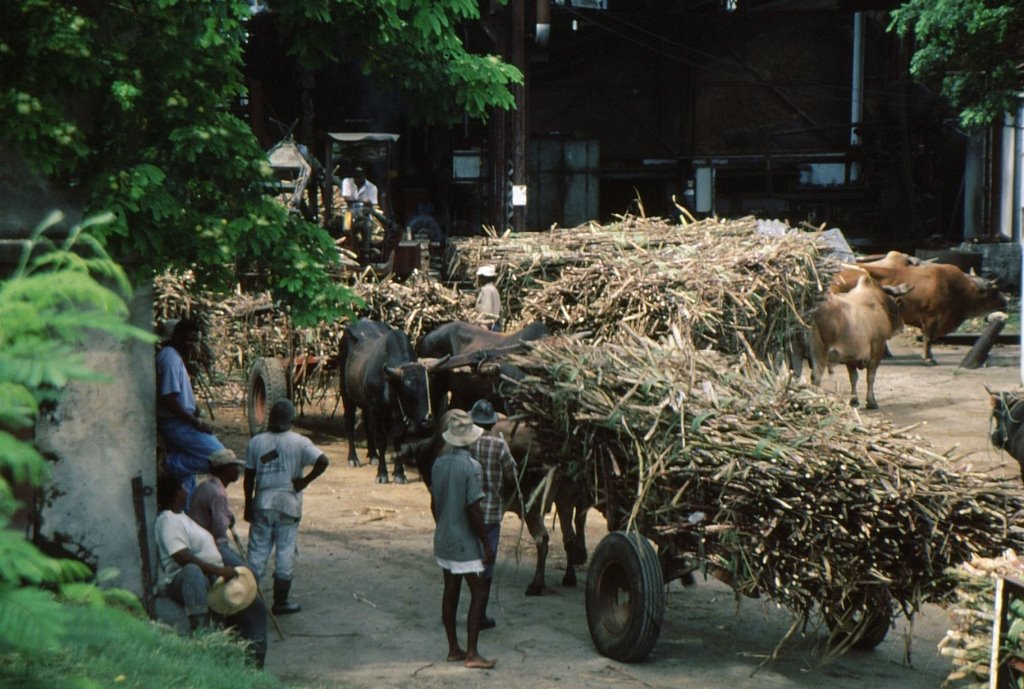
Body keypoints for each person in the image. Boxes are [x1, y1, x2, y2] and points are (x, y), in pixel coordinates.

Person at [155, 475, 268, 668]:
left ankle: (255, 666)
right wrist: (218, 569)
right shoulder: (168, 520)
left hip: (211, 575)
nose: (187, 491)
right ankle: (201, 629)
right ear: (175, 495)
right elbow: (182, 556)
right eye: (183, 488)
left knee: (253, 604)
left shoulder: (183, 517)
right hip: (187, 578)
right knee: (192, 570)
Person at [243, 399, 329, 615]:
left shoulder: (256, 442)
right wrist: (304, 481)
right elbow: (323, 460)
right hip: (289, 503)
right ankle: (281, 602)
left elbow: (249, 477)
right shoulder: (300, 442)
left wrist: (248, 504)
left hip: (262, 502)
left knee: (257, 552)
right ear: (291, 419)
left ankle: (246, 599)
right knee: (285, 552)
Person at [430, 410, 496, 669]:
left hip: (444, 535)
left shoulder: (438, 464)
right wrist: (486, 542)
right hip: (464, 540)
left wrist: (442, 524)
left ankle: (453, 648)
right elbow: (473, 508)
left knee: (450, 590)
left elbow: (434, 502)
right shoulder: (471, 467)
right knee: (479, 591)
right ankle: (472, 653)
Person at [156, 317, 233, 500]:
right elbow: (169, 399)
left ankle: (186, 513)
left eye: (195, 341)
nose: (192, 345)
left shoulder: (175, 358)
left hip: (179, 420)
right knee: (221, 458)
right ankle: (167, 464)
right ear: (176, 337)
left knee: (185, 483)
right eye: (188, 340)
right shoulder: (170, 358)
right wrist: (196, 422)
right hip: (176, 422)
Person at [468, 399, 518, 630]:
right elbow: (512, 474)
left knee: (469, 562)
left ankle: (471, 612)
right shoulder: (500, 446)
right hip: (492, 514)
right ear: (492, 423)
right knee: (487, 567)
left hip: (470, 511)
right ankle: (480, 615)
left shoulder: (468, 444)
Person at [188, 448, 247, 567]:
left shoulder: (204, 486)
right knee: (249, 573)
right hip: (212, 545)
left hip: (197, 542)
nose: (238, 470)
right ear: (224, 469)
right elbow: (219, 529)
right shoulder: (217, 493)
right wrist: (227, 519)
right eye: (234, 466)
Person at [475, 265, 502, 332]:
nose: (479, 279)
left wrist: (483, 328)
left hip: (488, 327)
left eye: (480, 277)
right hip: (495, 325)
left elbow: (486, 312)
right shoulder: (493, 289)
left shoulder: (486, 290)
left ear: (485, 278)